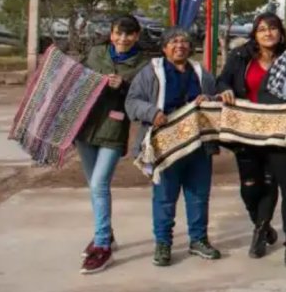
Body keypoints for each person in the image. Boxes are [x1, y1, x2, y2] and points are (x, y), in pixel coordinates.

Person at [125, 27, 221, 267]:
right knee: (165, 197)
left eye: (185, 42)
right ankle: (163, 243)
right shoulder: (150, 73)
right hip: (164, 145)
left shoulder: (201, 73)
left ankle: (198, 239)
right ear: (164, 47)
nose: (180, 45)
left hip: (198, 145)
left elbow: (216, 100)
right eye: (174, 41)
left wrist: (207, 101)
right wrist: (152, 112)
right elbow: (132, 102)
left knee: (198, 195)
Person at [217, 12, 286, 265]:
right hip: (247, 132)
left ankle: (274, 238)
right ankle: (262, 224)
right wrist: (224, 90)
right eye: (262, 29)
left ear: (281, 32)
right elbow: (222, 80)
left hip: (280, 133)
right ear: (255, 33)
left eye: (273, 28)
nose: (268, 33)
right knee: (250, 189)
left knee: (277, 184)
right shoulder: (240, 56)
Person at [74, 15, 149, 274]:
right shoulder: (96, 53)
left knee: (99, 184)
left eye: (129, 34)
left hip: (113, 130)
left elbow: (143, 97)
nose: (123, 39)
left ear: (137, 36)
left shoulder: (143, 64)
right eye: (119, 33)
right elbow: (76, 79)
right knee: (94, 187)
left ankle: (103, 245)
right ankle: (105, 233)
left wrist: (124, 87)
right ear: (111, 32)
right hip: (84, 128)